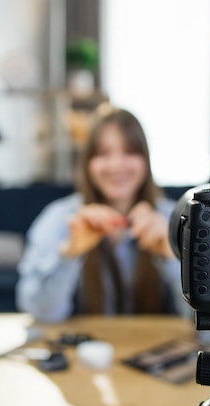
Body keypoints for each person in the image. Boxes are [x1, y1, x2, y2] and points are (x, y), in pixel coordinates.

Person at [16, 108, 188, 323]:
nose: (116, 165)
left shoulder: (177, 219)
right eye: (103, 153)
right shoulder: (60, 219)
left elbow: (207, 325)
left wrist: (171, 256)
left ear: (145, 160)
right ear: (87, 162)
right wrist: (68, 254)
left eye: (129, 151)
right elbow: (41, 314)